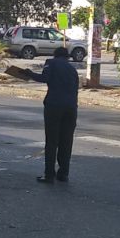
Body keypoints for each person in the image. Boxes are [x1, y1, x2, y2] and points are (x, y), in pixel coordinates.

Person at [30, 46, 79, 184]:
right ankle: (63, 174)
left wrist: (29, 74)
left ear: (55, 55)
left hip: (54, 107)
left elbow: (44, 78)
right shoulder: (72, 70)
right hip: (71, 108)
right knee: (66, 141)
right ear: (67, 57)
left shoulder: (51, 63)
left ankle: (49, 174)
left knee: (52, 141)